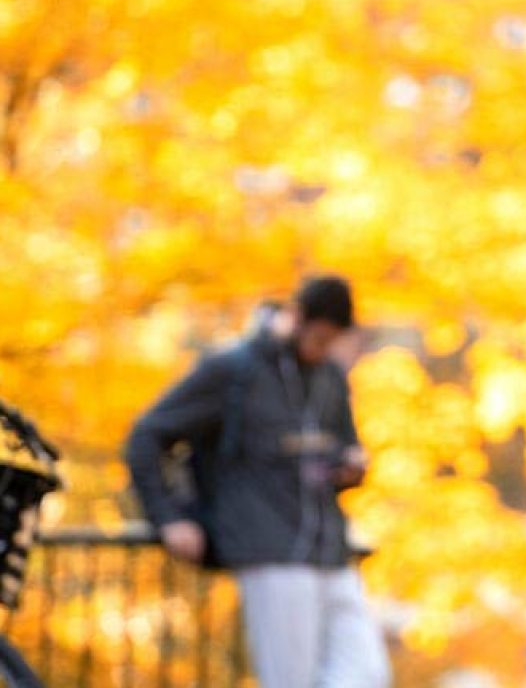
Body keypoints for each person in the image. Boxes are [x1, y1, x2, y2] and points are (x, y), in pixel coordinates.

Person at [126, 274, 389, 688]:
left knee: (367, 673)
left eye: (332, 341)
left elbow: (341, 448)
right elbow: (146, 436)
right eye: (319, 338)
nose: (323, 351)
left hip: (330, 549)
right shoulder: (234, 371)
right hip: (269, 549)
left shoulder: (330, 378)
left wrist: (350, 467)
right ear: (296, 318)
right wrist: (168, 517)